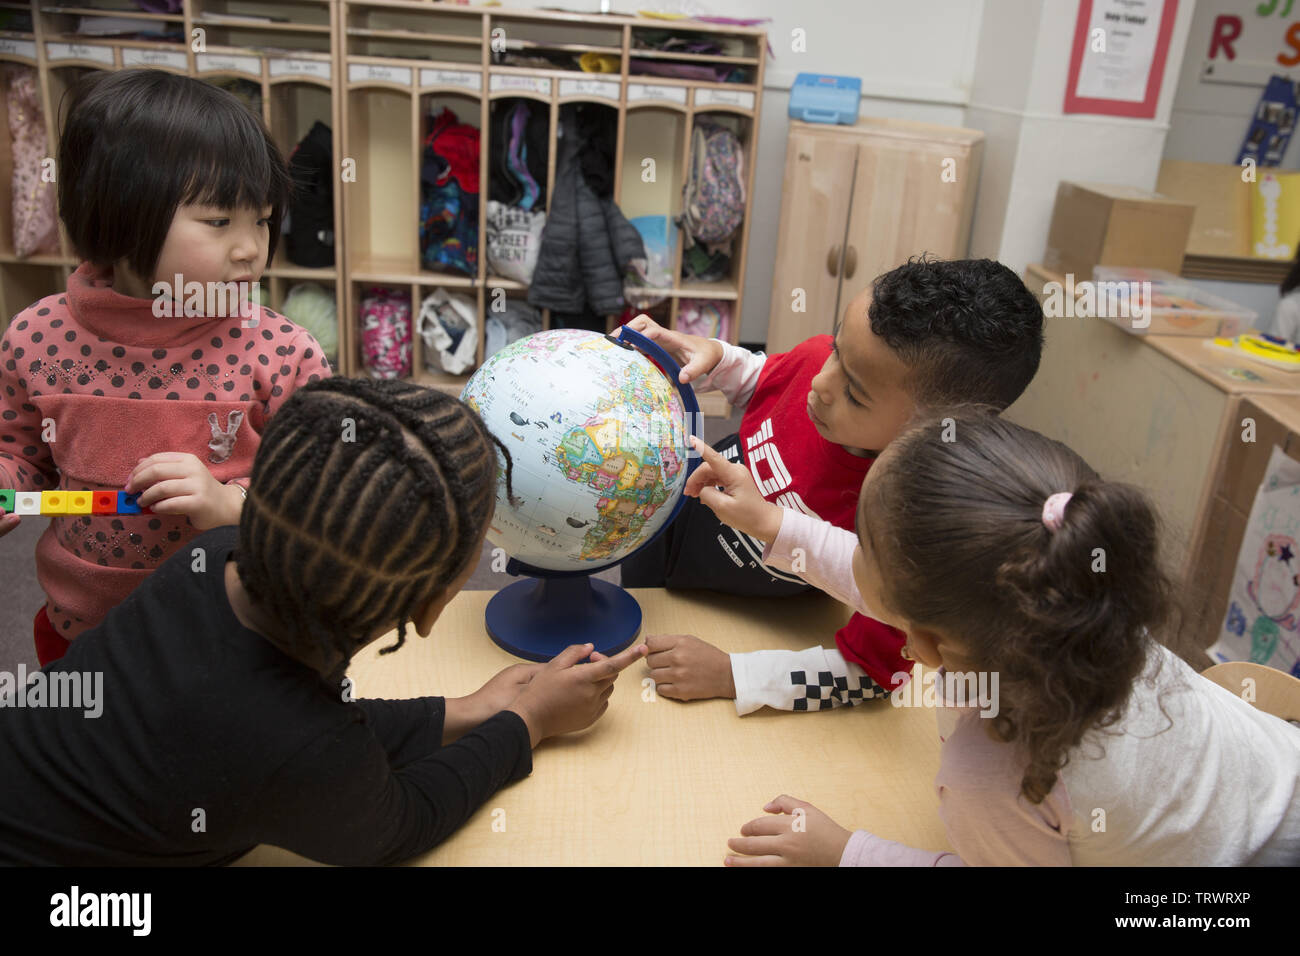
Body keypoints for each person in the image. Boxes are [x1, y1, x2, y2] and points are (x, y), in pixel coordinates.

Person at [0, 378, 646, 866]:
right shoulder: (298, 748)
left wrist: (462, 710)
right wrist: (525, 724)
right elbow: (401, 822)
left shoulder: (210, 559)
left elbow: (314, 725)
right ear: (431, 607)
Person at [709, 408, 1300, 865]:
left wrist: (845, 852)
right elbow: (902, 586)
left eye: (864, 542)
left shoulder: (993, 775)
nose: (855, 550)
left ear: (926, 644)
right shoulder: (1084, 608)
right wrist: (773, 523)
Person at [0, 68, 332, 666]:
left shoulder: (280, 352)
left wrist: (232, 505)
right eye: (218, 221)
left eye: (261, 218)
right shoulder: (35, 338)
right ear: (118, 212)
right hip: (82, 633)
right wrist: (7, 485)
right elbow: (22, 452)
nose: (250, 247)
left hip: (233, 637)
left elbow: (326, 492)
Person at [622, 257, 1044, 714]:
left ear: (937, 430)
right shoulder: (816, 367)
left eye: (856, 395)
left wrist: (733, 674)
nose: (820, 383)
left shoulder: (903, 525)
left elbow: (873, 675)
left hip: (727, 607)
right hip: (657, 529)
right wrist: (718, 357)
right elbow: (767, 379)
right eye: (837, 350)